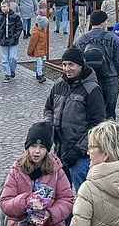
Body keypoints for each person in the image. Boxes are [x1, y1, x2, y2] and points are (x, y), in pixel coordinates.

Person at [0, 122, 74, 226]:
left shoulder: (57, 171)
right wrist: (24, 201)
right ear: (27, 147)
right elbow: (5, 202)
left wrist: (50, 214)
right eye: (33, 146)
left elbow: (67, 199)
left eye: (42, 147)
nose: (37, 151)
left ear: (48, 149)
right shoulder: (17, 170)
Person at [44, 47, 106, 192]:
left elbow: (96, 125)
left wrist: (78, 150)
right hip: (60, 152)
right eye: (64, 64)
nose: (67, 69)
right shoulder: (59, 84)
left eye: (71, 64)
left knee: (84, 198)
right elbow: (48, 108)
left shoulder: (92, 90)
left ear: (80, 65)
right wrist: (49, 126)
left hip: (81, 158)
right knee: (61, 199)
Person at [74, 10, 119, 119]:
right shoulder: (113, 38)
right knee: (109, 113)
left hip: (88, 80)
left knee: (91, 112)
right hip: (109, 78)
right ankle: (109, 134)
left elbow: (75, 60)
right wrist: (115, 73)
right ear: (102, 23)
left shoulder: (80, 40)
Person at [0, 0, 25, 82]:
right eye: (2, 7)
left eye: (4, 7)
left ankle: (12, 69)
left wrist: (15, 36)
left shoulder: (15, 17)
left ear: (8, 7)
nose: (3, 8)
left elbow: (19, 27)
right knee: (4, 59)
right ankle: (7, 74)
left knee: (12, 58)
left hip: (13, 40)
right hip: (3, 40)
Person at [27, 13, 50, 84]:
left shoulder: (43, 30)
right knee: (39, 63)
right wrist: (29, 51)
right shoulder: (36, 32)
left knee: (40, 63)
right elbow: (32, 43)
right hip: (38, 51)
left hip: (42, 50)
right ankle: (40, 75)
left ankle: (38, 73)